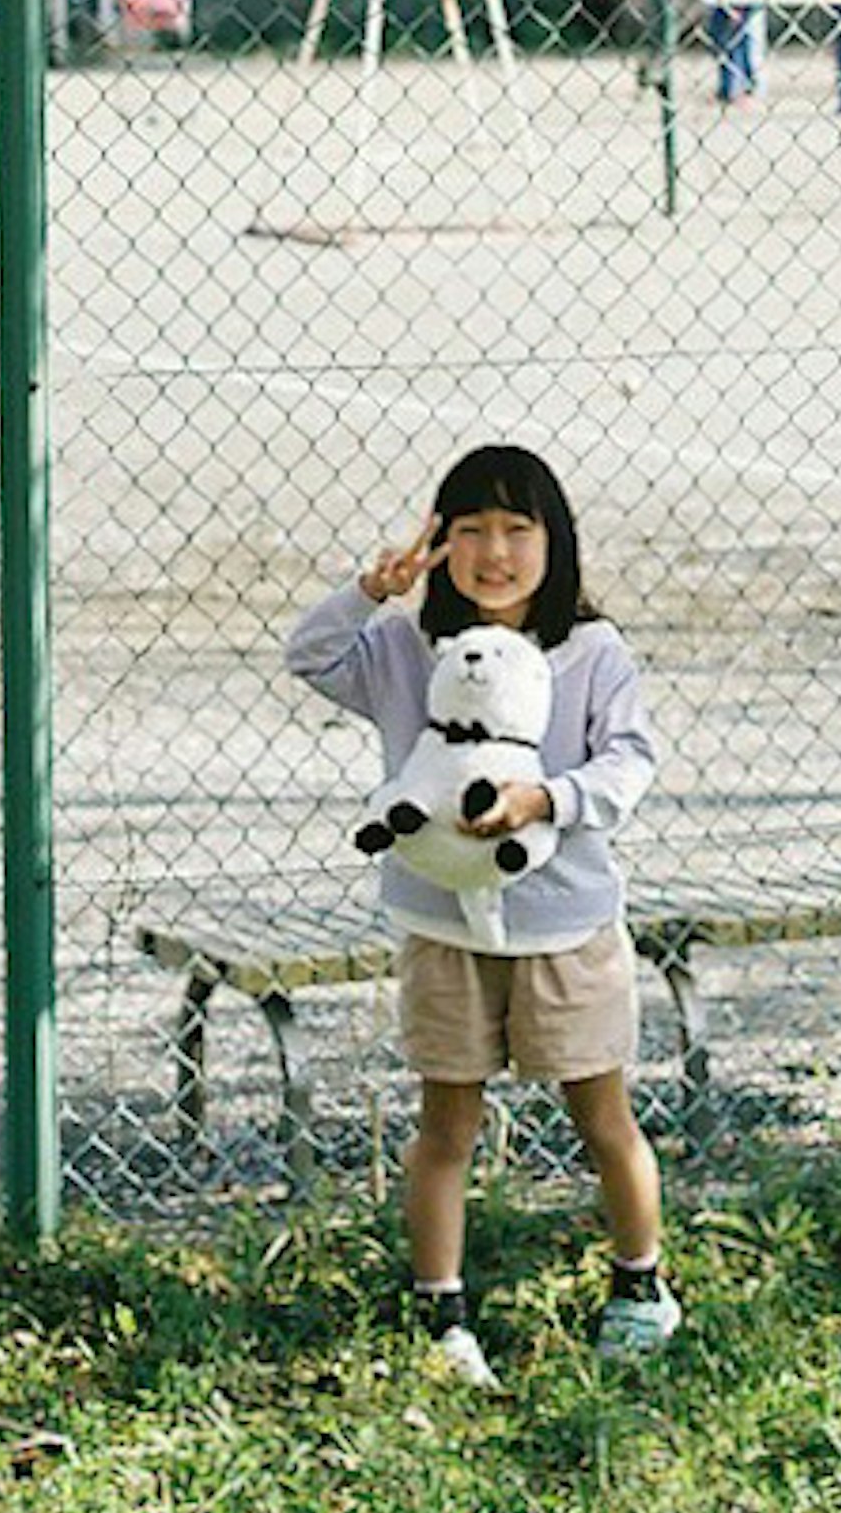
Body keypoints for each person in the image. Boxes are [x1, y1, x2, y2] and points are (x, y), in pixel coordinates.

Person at [288, 442, 677, 1386]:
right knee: (445, 1126)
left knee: (603, 1116)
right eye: (470, 530)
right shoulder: (403, 648)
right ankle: (442, 1315)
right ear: (438, 543)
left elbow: (628, 764)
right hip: (441, 928)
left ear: (556, 543)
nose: (493, 552)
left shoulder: (592, 652)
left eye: (517, 529)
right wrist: (368, 592)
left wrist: (546, 802)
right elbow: (308, 655)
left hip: (566, 928)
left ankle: (641, 1286)